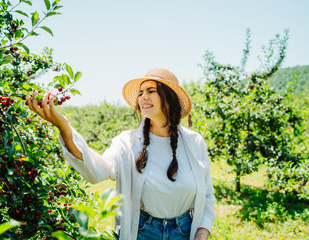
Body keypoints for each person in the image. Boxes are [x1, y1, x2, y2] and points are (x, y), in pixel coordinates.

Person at [26, 68, 216, 240]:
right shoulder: (127, 143)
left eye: (151, 91)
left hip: (183, 232)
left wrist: (202, 231)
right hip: (142, 231)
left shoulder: (193, 142)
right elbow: (96, 171)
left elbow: (207, 194)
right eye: (140, 93)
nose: (143, 97)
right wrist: (64, 127)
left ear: (170, 97)